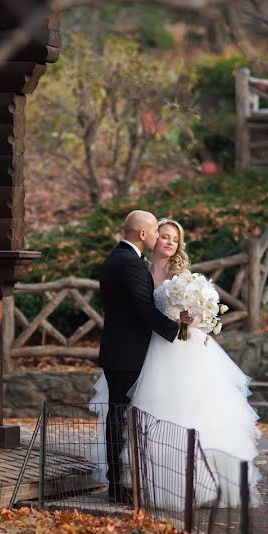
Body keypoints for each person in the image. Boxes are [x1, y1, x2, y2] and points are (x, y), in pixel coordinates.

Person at [93, 217, 261, 508]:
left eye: (174, 238)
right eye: (163, 235)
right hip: (148, 348)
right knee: (140, 413)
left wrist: (191, 321)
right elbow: (139, 309)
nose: (169, 241)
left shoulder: (181, 274)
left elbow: (204, 313)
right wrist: (172, 328)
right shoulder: (139, 269)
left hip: (179, 348)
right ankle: (142, 480)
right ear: (151, 237)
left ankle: (196, 482)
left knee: (186, 412)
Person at [97, 210, 189, 504]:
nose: (159, 238)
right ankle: (118, 484)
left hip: (117, 350)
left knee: (120, 417)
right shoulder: (133, 266)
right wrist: (176, 331)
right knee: (121, 419)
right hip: (128, 354)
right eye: (156, 233)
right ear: (143, 234)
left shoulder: (112, 260)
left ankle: (122, 480)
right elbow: (143, 310)